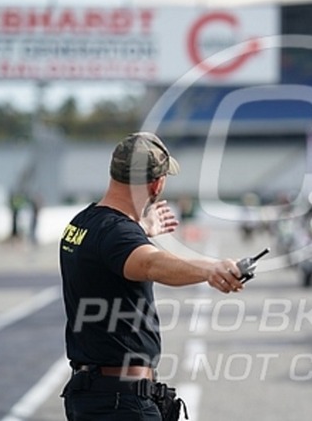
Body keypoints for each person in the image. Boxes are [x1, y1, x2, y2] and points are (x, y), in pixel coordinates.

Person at [60, 132, 244, 421]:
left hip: (91, 396)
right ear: (156, 184)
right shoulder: (118, 235)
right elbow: (150, 263)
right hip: (121, 402)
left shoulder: (83, 222)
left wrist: (140, 228)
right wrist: (211, 269)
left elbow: (109, 249)